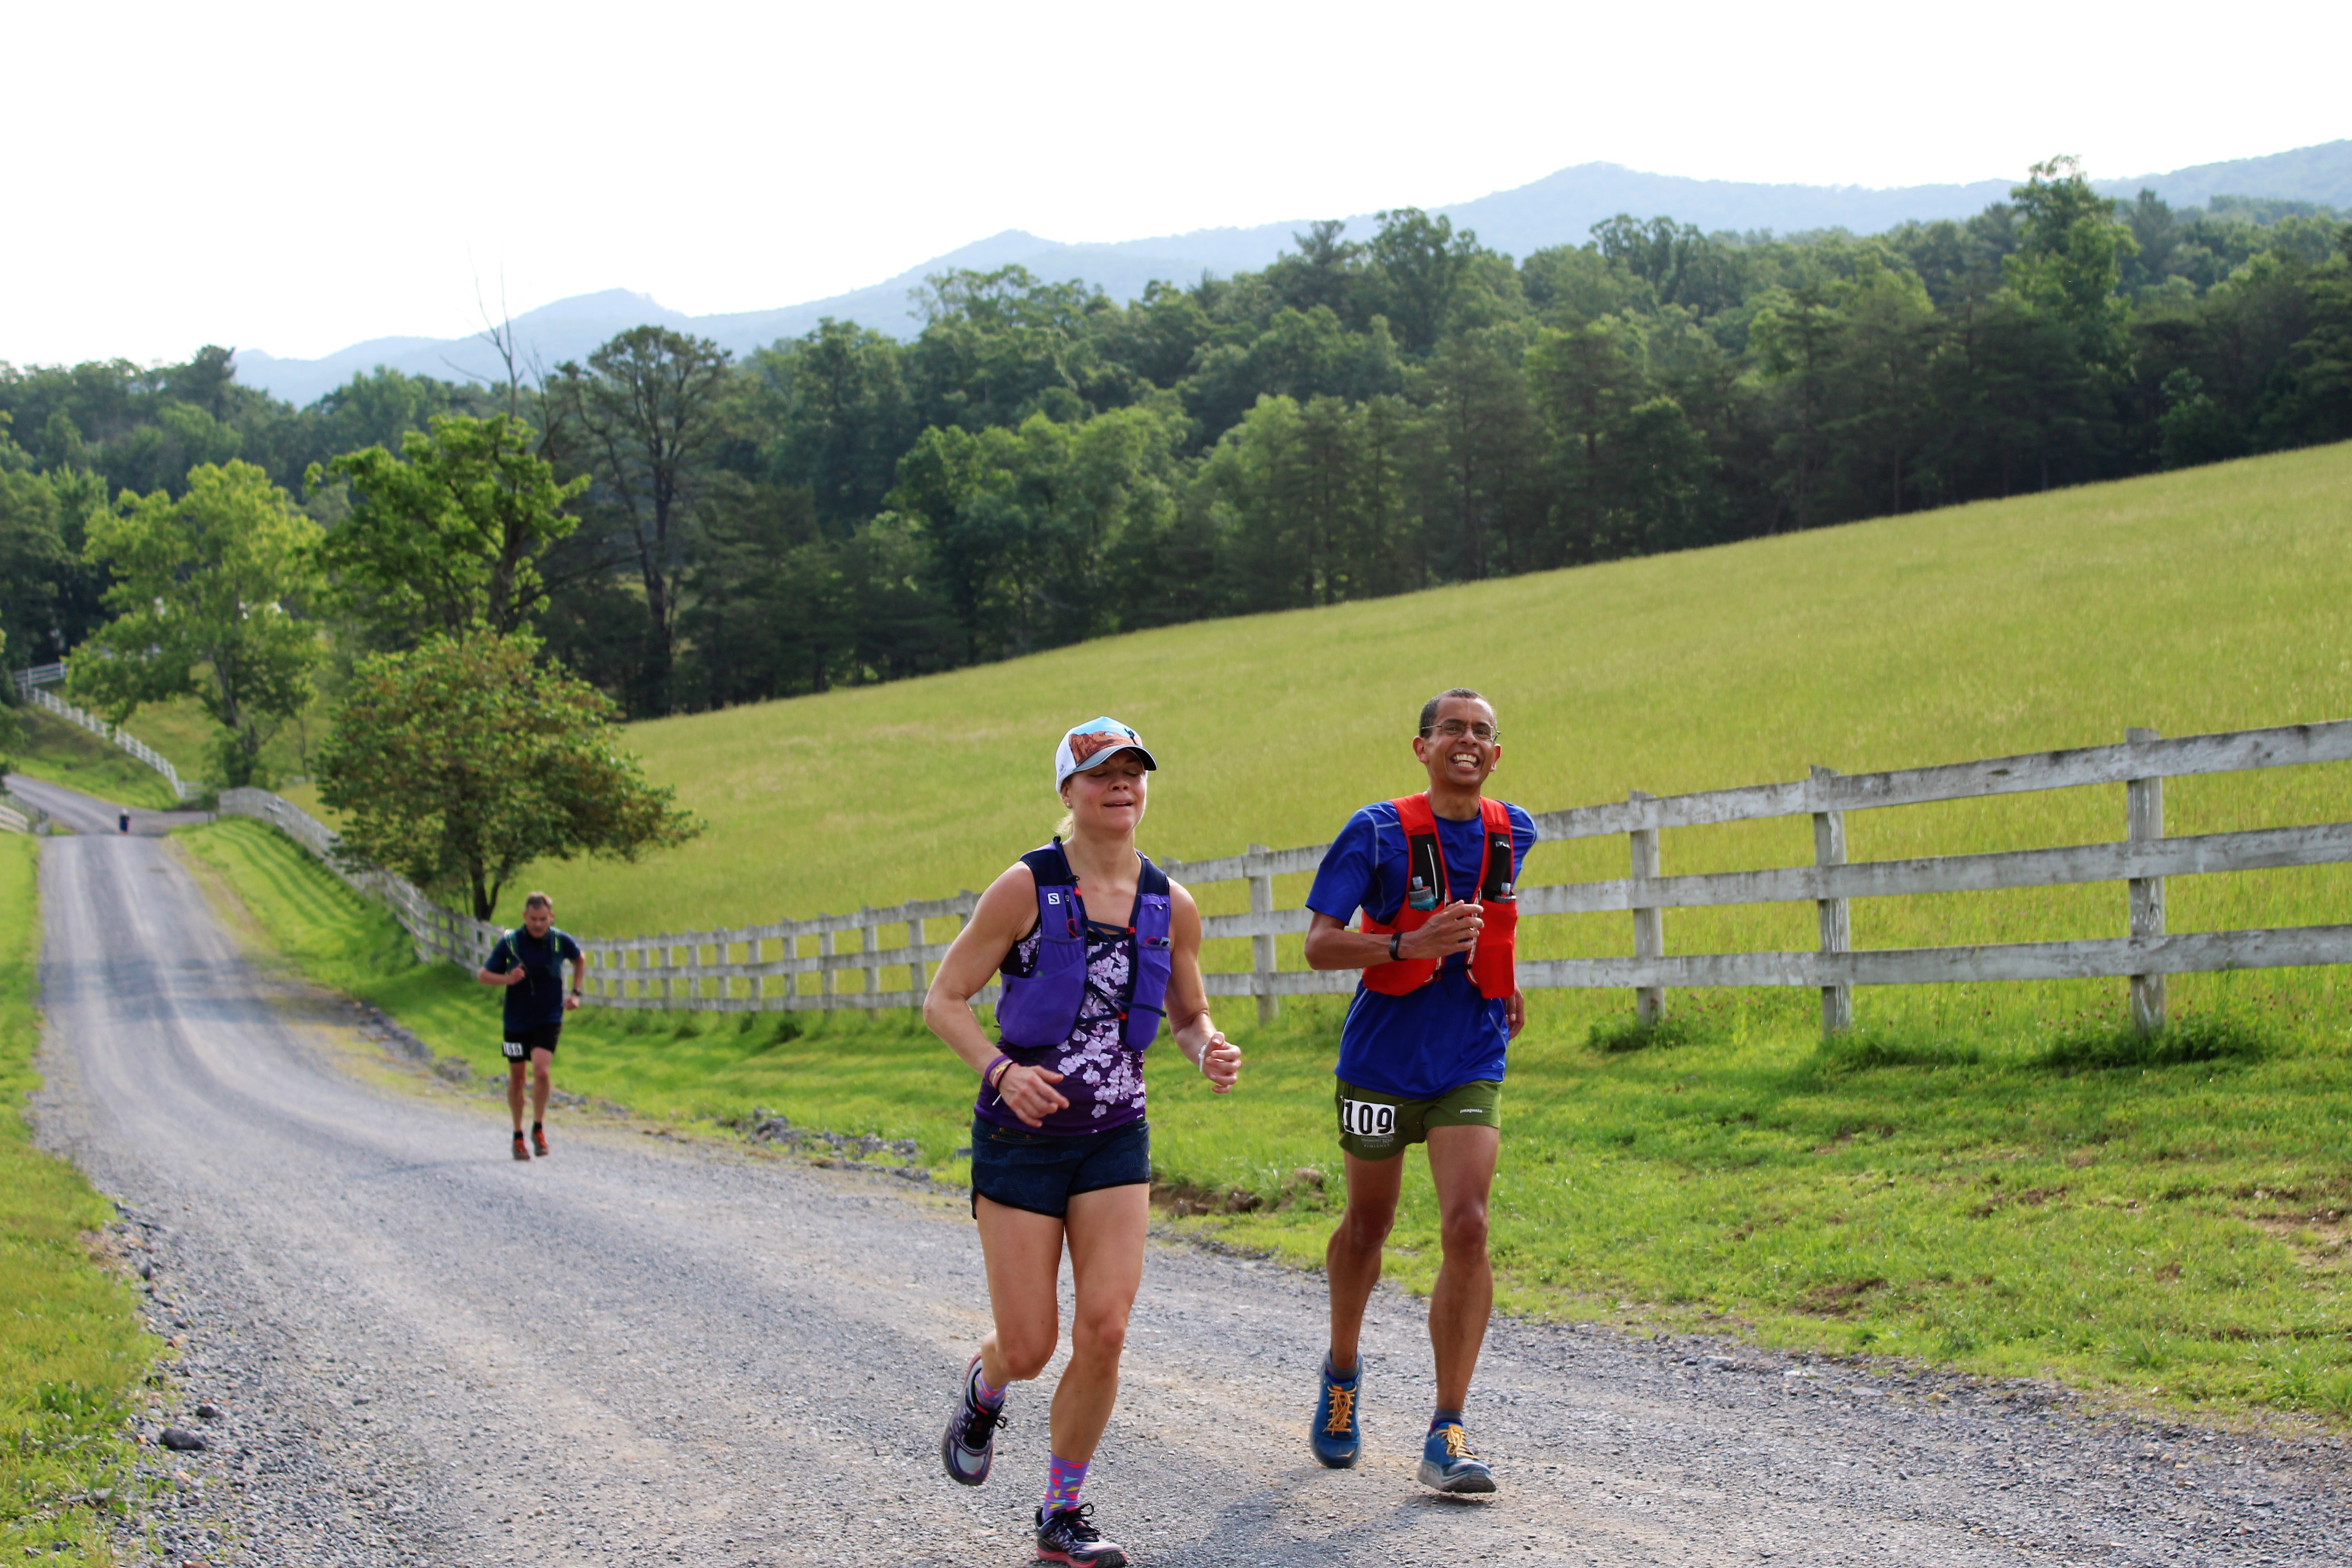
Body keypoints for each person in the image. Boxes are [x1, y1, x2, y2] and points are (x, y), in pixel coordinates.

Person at [926, 717, 1241, 1568]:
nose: (1121, 785)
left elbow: (1183, 1013)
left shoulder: (1168, 902)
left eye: (1133, 771)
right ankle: (985, 1386)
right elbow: (944, 999)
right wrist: (1000, 1072)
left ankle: (1060, 1514)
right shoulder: (1026, 887)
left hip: (1113, 1139)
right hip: (1021, 1140)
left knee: (1104, 1328)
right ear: (1068, 790)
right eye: (1102, 772)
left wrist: (1207, 1044)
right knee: (1028, 1345)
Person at [1298, 687, 1535, 1494]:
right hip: (1379, 1059)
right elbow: (1319, 946)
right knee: (1368, 1224)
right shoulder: (1375, 831)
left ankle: (1448, 1428)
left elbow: (1493, 918)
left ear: (1495, 753)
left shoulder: (1515, 830)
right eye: (1451, 730)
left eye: (1481, 732)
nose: (1466, 742)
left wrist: (1504, 979)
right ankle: (1340, 1374)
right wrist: (1407, 941)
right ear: (1421, 746)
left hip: (1468, 1055)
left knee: (1467, 1226)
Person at [477, 891, 584, 1162]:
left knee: (542, 1072)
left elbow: (579, 958)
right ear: (525, 917)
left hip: (549, 1018)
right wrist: (508, 979)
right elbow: (483, 976)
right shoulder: (510, 943)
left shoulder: (560, 940)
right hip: (514, 1021)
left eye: (543, 919)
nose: (538, 925)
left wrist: (575, 994)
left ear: (551, 917)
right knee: (517, 1077)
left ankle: (538, 1127)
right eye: (534, 919)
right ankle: (517, 1135)